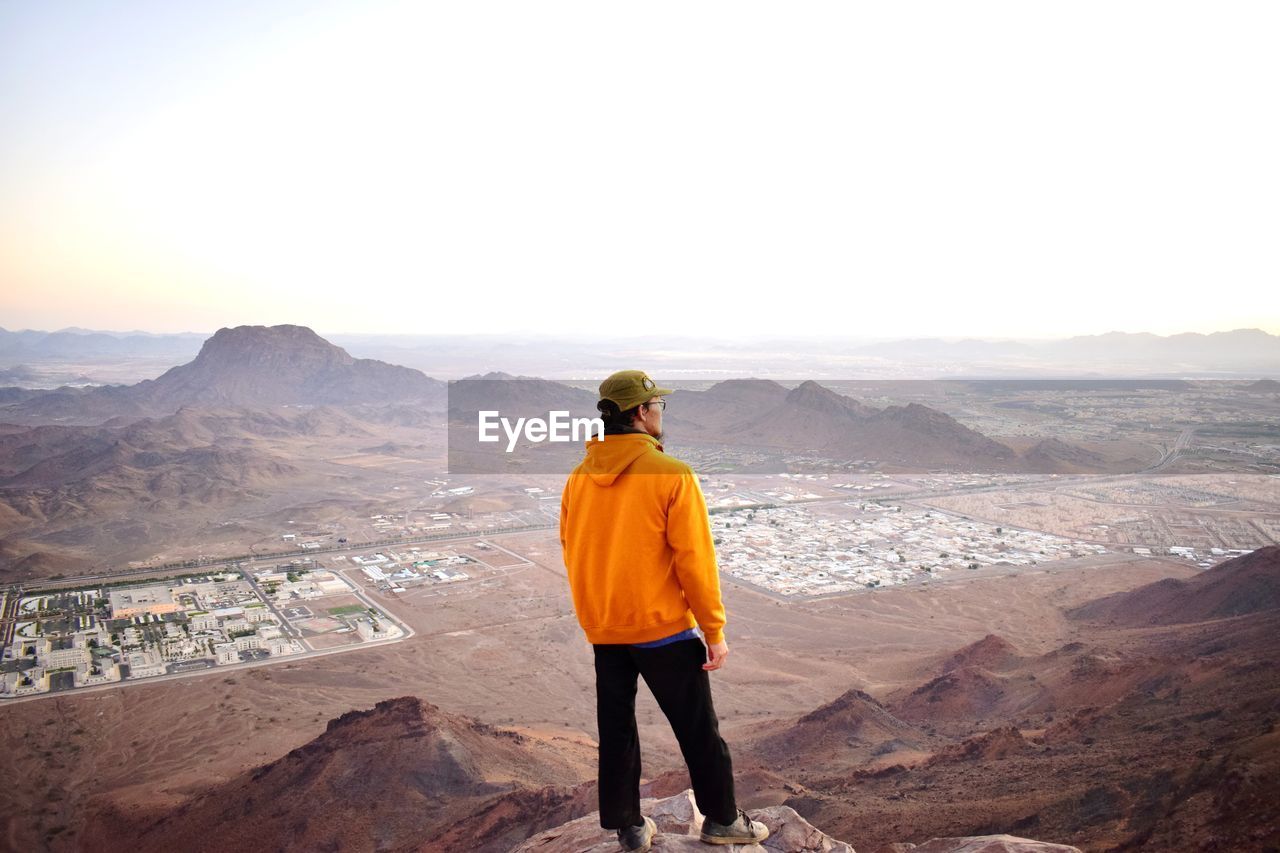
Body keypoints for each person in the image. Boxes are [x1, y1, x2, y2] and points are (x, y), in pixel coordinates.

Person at [559, 369, 769, 851]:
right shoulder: (672, 474)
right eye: (659, 406)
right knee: (699, 730)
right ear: (640, 413)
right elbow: (694, 560)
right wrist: (713, 629)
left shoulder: (578, 477)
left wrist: (597, 615)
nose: (661, 414)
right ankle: (721, 821)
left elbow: (572, 548)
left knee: (617, 730)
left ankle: (629, 828)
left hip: (606, 628)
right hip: (663, 629)